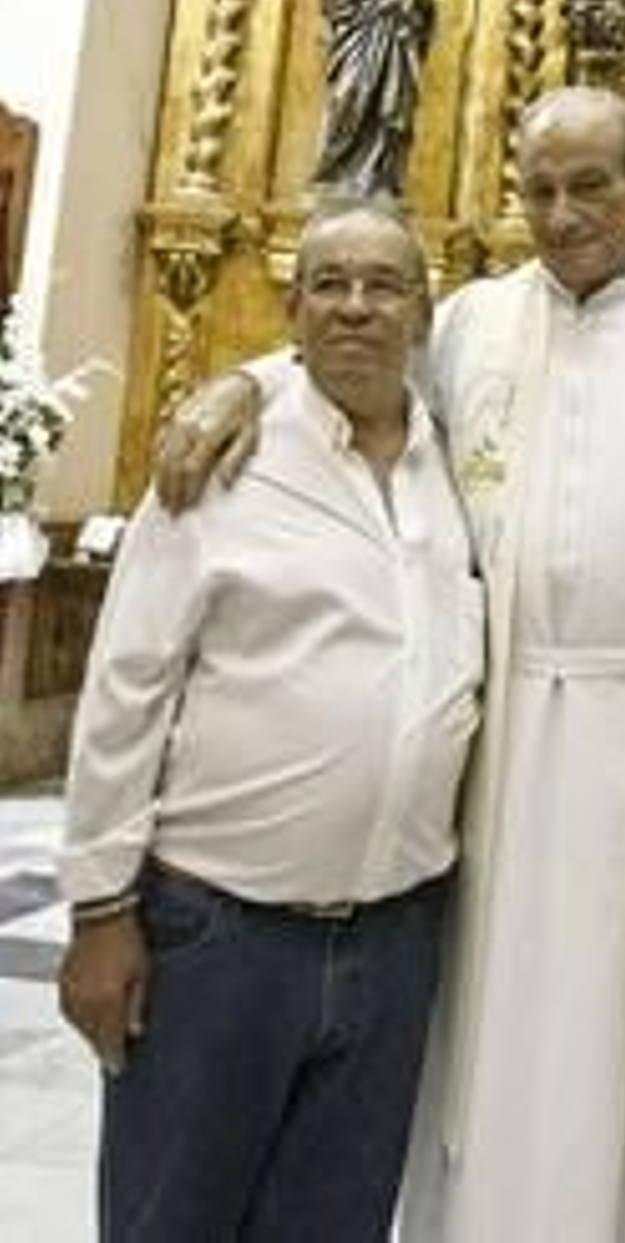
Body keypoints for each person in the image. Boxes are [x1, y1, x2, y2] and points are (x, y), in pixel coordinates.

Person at [153, 88, 625, 1242]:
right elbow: (344, 364)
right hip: (501, 753)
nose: (565, 213)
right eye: (541, 188)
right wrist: (242, 380)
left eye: (591, 186)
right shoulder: (471, 322)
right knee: (488, 1027)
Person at [58, 201, 482, 1242]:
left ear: (424, 315)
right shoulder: (219, 462)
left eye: (384, 284)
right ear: (289, 311)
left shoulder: (458, 462)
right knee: (175, 1220)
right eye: (328, 282)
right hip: (220, 936)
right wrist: (100, 908)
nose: (355, 305)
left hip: (394, 940)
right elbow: (127, 686)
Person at [312, 0, 438, 197]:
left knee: (390, 108)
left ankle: (377, 177)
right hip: (360, 31)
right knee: (349, 96)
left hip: (396, 39)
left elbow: (426, 8)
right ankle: (334, 171)